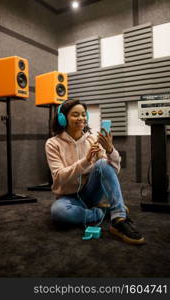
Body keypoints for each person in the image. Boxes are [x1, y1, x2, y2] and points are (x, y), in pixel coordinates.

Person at [45, 99, 145, 245]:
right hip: (67, 198)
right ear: (62, 118)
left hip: (90, 193)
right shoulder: (53, 144)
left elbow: (111, 170)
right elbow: (59, 178)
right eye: (75, 115)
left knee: (102, 163)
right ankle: (102, 212)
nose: (81, 118)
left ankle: (118, 219)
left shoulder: (92, 139)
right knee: (58, 212)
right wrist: (85, 161)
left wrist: (110, 150)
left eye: (83, 114)